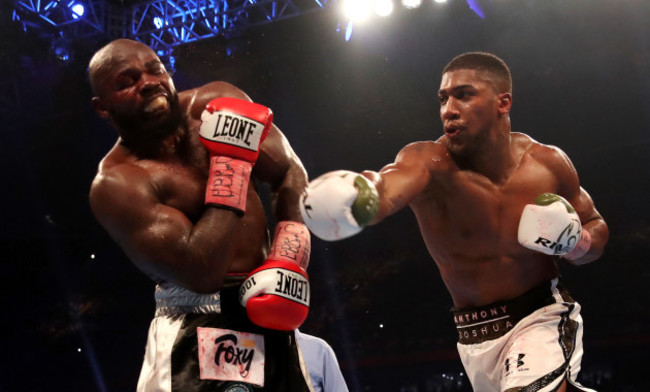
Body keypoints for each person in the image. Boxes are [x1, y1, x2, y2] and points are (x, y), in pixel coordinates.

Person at [299, 52, 609, 392]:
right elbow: (386, 187)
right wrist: (357, 197)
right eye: (443, 98)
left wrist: (577, 241)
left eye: (464, 94)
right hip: (472, 338)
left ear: (502, 102)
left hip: (540, 317)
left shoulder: (548, 164)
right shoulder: (429, 162)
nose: (449, 108)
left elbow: (595, 228)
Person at [88, 38, 314, 392]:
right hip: (198, 322)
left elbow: (289, 170)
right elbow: (202, 269)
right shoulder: (117, 183)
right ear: (102, 108)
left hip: (270, 305)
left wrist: (288, 257)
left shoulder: (216, 102)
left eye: (155, 69)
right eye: (126, 81)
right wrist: (233, 162)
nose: (148, 82)